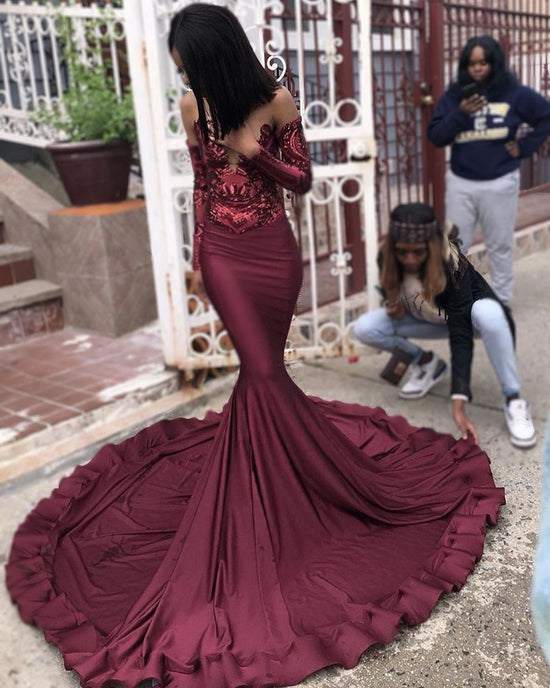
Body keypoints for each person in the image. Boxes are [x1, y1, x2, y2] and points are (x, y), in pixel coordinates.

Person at [6, 6, 505, 688]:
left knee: (264, 377)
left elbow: (301, 179)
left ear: (215, 56)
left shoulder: (275, 101)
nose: (184, 80)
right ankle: (280, 490)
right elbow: (202, 187)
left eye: (189, 66)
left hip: (273, 251)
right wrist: (198, 258)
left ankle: (291, 484)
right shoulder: (192, 107)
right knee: (264, 374)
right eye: (179, 71)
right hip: (224, 255)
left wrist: (253, 149)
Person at [353, 201, 537, 449]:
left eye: (418, 252)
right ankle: (427, 364)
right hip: (429, 319)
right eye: (402, 252)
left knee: (491, 314)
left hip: (469, 322)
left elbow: (461, 337)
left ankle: (513, 399)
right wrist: (392, 304)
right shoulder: (386, 257)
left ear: (430, 246)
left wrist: (458, 405)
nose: (409, 259)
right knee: (365, 328)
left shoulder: (450, 265)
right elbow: (391, 288)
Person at [427, 34, 550, 305]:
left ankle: (501, 303)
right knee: (455, 246)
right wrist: (461, 114)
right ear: (465, 66)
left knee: (500, 245)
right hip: (461, 183)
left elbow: (545, 116)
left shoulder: (514, 94)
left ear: (495, 63)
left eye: (483, 63)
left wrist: (524, 146)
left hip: (500, 182)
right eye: (472, 64)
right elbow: (436, 136)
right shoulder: (455, 96)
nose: (478, 68)